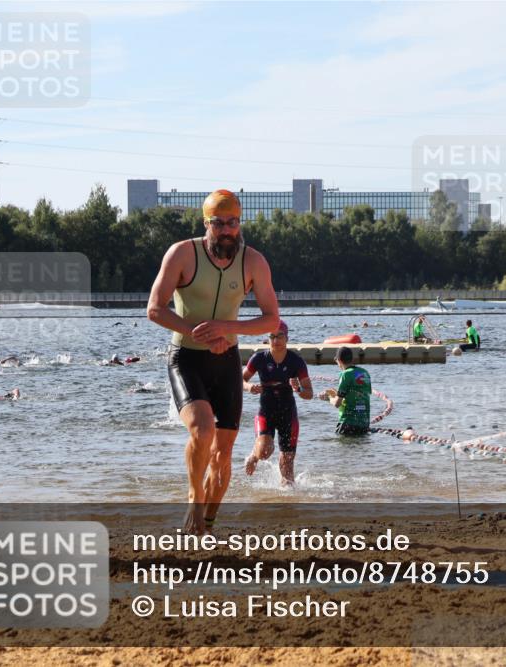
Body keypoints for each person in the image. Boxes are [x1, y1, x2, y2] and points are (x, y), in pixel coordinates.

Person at [147, 188, 281, 534]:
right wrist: (200, 332)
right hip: (187, 358)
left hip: (227, 361)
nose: (226, 230)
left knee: (223, 454)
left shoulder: (253, 262)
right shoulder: (182, 253)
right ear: (206, 223)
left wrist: (226, 328)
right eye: (218, 223)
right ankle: (194, 500)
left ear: (240, 224)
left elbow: (272, 320)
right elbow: (155, 309)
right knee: (202, 430)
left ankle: (205, 525)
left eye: (232, 223)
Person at [242, 320, 313, 485]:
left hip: (288, 413)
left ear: (287, 338)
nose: (276, 340)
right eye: (272, 337)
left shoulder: (296, 361)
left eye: (280, 336)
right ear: (268, 339)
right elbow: (241, 379)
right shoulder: (259, 358)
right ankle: (254, 456)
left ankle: (287, 498)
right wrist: (249, 387)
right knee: (264, 451)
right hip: (266, 412)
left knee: (287, 467)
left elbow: (309, 393)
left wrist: (298, 389)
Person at [323, 347, 372, 436]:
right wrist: (336, 393)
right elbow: (357, 394)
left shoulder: (345, 374)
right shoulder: (365, 373)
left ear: (339, 360)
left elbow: (337, 404)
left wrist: (328, 398)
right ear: (352, 359)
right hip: (364, 424)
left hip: (348, 423)